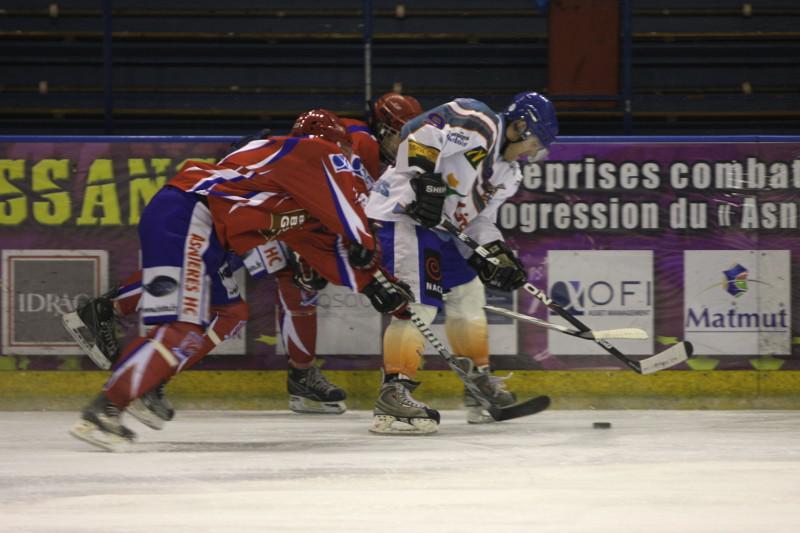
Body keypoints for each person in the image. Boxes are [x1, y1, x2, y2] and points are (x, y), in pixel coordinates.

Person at [69, 110, 413, 451]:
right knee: (181, 329)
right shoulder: (314, 150)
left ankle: (147, 378)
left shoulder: (293, 188)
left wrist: (373, 284)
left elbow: (320, 248)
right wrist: (363, 242)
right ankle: (107, 408)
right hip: (191, 217)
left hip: (198, 224)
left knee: (230, 313)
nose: (348, 164)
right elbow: (346, 216)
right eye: (345, 155)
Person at [365, 92, 558, 434]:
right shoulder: (478, 120)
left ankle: (477, 385)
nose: (532, 153)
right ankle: (393, 394)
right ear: (519, 126)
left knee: (469, 295)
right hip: (403, 215)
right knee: (418, 305)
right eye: (534, 143)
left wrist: (495, 253)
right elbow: (420, 130)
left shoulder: (509, 175)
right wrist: (423, 179)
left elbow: (478, 220)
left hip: (442, 230)